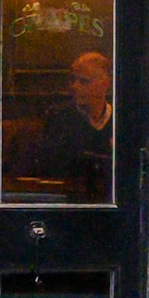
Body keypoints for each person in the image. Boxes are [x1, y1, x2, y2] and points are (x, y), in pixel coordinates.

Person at [17, 49, 116, 200]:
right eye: (73, 80)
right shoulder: (58, 118)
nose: (74, 86)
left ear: (105, 84)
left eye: (84, 81)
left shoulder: (118, 120)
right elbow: (51, 168)